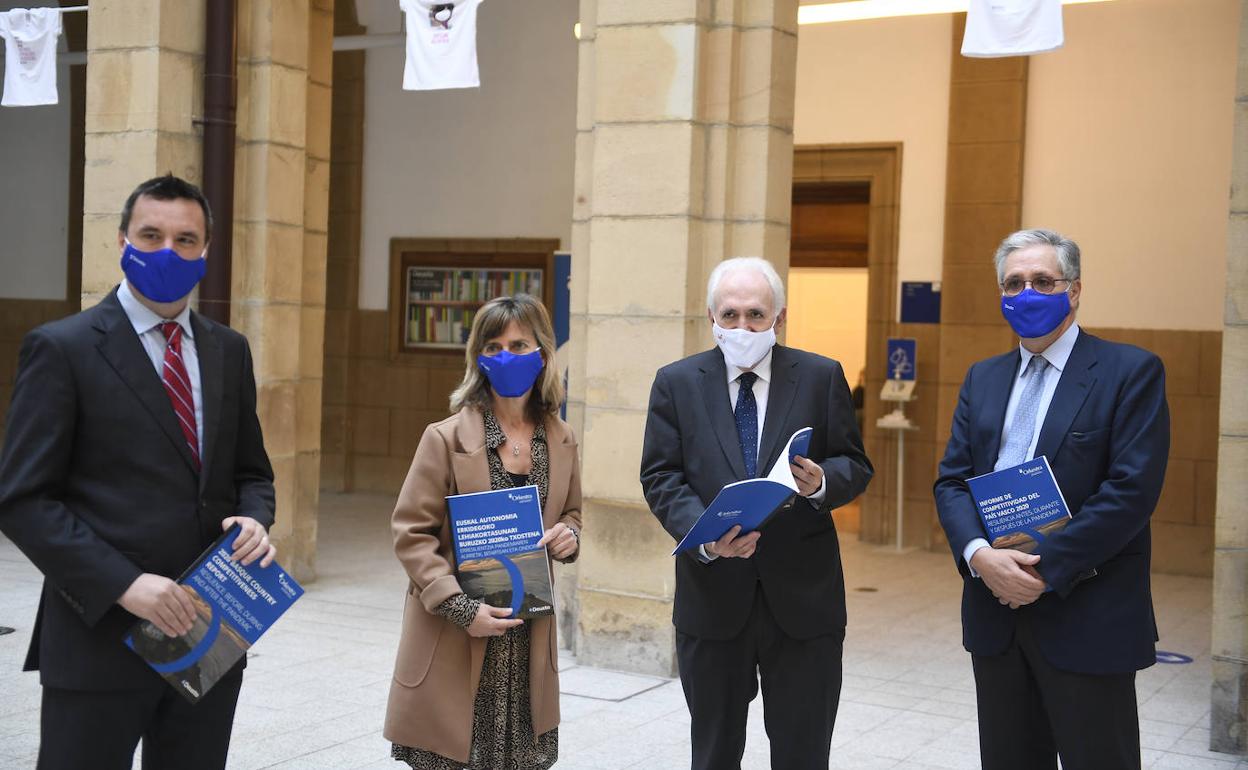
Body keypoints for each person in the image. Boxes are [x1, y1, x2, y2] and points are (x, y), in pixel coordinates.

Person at [0, 174, 277, 770]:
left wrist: (255, 520)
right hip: (100, 636)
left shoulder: (228, 350)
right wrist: (126, 585)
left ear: (206, 251)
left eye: (185, 239)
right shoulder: (63, 347)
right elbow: (23, 500)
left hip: (209, 630)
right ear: (122, 239)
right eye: (150, 235)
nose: (167, 252)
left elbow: (252, 472)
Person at [934, 228, 1170, 770]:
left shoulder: (1129, 372)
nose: (1027, 293)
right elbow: (952, 482)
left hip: (1089, 613)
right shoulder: (983, 378)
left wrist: (1039, 570)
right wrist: (981, 558)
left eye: (1043, 281)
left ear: (1075, 289)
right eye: (1013, 283)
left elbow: (1130, 493)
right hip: (996, 614)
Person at [640, 257, 873, 770]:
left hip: (804, 599)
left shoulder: (820, 376)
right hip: (714, 596)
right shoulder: (676, 383)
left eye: (755, 315)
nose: (742, 327)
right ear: (711, 318)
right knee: (716, 751)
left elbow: (854, 463)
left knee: (803, 750)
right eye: (730, 315)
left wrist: (822, 483)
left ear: (779, 318)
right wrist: (704, 537)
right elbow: (661, 476)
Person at [385, 294, 582, 770]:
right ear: (477, 356)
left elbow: (572, 514)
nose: (505, 356)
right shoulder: (445, 437)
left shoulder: (561, 438)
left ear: (542, 354)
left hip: (526, 633)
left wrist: (569, 538)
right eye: (492, 346)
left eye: (518, 344)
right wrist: (460, 607)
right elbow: (411, 533)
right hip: (458, 629)